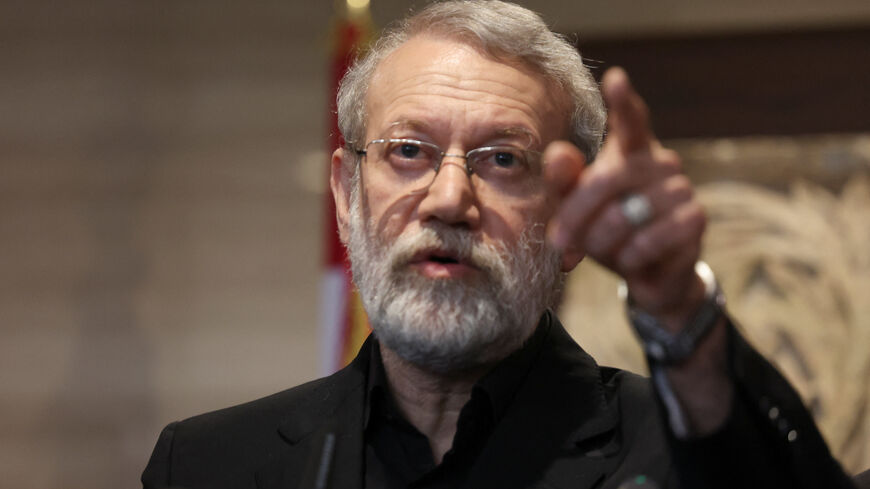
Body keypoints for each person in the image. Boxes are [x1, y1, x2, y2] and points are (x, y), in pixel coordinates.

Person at [141, 1, 863, 488]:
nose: (449, 198)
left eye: (503, 159)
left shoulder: (678, 456)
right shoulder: (208, 464)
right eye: (409, 151)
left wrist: (681, 310)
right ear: (345, 195)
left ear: (568, 214)